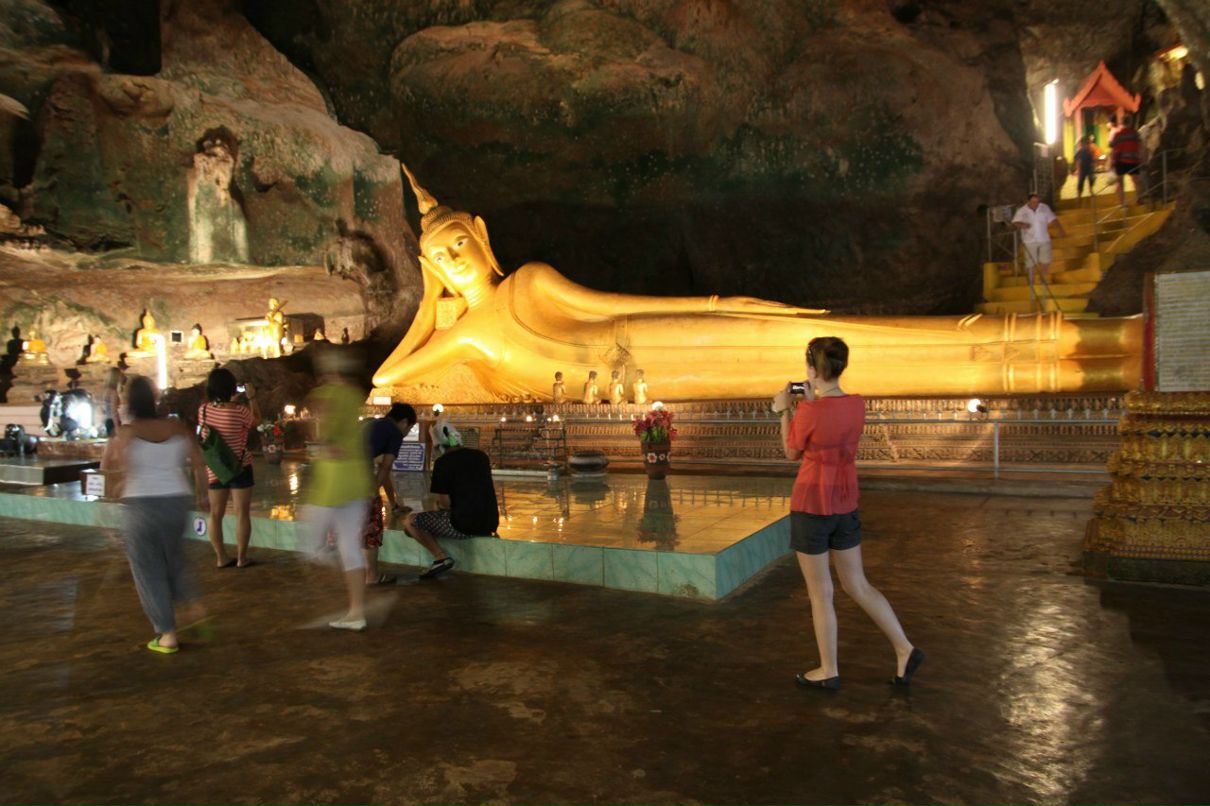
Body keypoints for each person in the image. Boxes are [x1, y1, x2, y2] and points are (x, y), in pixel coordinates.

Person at [371, 166, 1143, 401]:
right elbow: (391, 376)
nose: (455, 260)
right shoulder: (468, 331)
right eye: (439, 258)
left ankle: (1095, 342)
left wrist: (713, 302)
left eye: (457, 243)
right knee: (808, 368)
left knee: (800, 338)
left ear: (481, 238)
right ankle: (1074, 367)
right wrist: (427, 316)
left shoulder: (527, 283)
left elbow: (618, 306)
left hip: (653, 340)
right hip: (636, 386)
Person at [771, 337, 922, 690]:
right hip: (845, 501)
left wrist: (784, 411)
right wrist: (810, 404)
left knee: (821, 593)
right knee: (858, 585)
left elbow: (792, 452)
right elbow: (831, 425)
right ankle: (904, 648)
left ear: (811, 369)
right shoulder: (857, 405)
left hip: (812, 504)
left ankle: (828, 669)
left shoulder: (809, 411)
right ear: (841, 367)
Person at [101, 376, 210, 654]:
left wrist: (111, 500)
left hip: (141, 505)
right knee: (175, 559)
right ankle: (194, 605)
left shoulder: (126, 434)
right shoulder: (177, 427)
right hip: (176, 502)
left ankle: (167, 634)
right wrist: (202, 496)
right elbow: (199, 462)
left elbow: (120, 475)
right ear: (154, 399)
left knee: (148, 570)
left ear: (128, 402)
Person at [302, 348, 373, 630]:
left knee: (309, 546)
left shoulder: (326, 395)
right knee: (349, 547)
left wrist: (317, 430)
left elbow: (321, 432)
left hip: (333, 481)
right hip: (357, 477)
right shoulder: (355, 394)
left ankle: (330, 569)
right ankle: (357, 612)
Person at [403, 425, 499, 580]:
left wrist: (438, 506)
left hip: (463, 525)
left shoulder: (442, 463)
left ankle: (440, 558)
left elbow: (445, 504)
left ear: (438, 446)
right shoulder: (481, 456)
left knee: (410, 521)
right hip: (490, 523)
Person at [197, 368, 259, 568]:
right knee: (242, 512)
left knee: (215, 514)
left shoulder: (204, 410)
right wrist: (252, 397)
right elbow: (256, 421)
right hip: (240, 466)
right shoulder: (239, 411)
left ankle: (221, 557)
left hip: (216, 468)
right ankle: (242, 557)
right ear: (232, 388)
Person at [363, 402, 417, 585]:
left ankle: (357, 573)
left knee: (356, 527)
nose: (407, 432)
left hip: (343, 478)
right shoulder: (394, 433)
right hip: (359, 479)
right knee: (371, 529)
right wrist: (372, 492)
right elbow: (386, 466)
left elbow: (382, 468)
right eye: (409, 428)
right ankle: (371, 576)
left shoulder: (372, 425)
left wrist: (393, 504)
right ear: (403, 422)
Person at [1011, 192, 1067, 282]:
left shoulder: (1044, 207)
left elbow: (1053, 219)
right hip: (1029, 240)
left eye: (1037, 202)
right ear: (1028, 202)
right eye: (1033, 202)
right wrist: (1022, 225)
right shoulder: (1022, 211)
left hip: (1044, 238)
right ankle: (1031, 280)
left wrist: (1061, 230)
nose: (1035, 204)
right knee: (1030, 262)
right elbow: (1014, 223)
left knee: (1046, 260)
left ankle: (1042, 278)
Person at [1110, 114, 1146, 207]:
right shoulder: (1135, 134)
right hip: (1133, 160)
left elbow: (1114, 149)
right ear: (1130, 122)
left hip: (1120, 161)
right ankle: (1140, 199)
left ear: (1122, 122)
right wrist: (1142, 159)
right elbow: (1141, 147)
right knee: (1137, 182)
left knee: (1121, 183)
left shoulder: (1118, 135)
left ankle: (1123, 203)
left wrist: (1112, 162)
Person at [1072, 135, 1099, 200]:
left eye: (1088, 143)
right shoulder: (1080, 151)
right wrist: (1078, 170)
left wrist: (1094, 165)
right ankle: (1079, 195)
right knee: (1081, 182)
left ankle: (1091, 191)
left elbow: (1093, 159)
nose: (1087, 145)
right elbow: (1078, 161)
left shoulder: (1090, 150)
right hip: (1083, 169)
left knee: (1091, 179)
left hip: (1089, 168)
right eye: (1086, 143)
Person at [102, 367, 123, 437]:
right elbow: (114, 411)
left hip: (108, 420)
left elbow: (104, 410)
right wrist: (117, 427)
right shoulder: (113, 392)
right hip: (113, 422)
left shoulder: (106, 391)